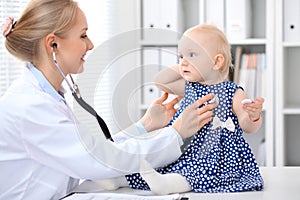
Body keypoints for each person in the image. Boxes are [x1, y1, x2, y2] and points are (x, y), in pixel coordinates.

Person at [0, 1, 218, 199]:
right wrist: (176, 133)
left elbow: (94, 152)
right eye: (83, 35)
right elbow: (101, 160)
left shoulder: (45, 95)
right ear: (53, 44)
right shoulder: (30, 106)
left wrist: (145, 126)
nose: (91, 44)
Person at [98, 24, 265, 194]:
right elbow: (160, 81)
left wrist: (252, 116)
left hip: (216, 155)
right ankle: (117, 179)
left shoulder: (232, 91)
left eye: (192, 54)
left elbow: (247, 126)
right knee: (163, 165)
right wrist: (185, 64)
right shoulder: (189, 87)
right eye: (180, 56)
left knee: (195, 171)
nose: (184, 61)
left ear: (216, 61)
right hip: (187, 147)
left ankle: (167, 186)